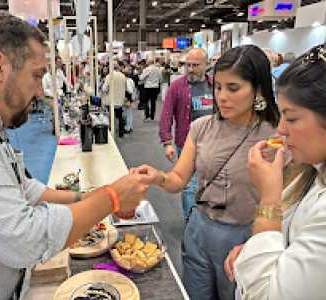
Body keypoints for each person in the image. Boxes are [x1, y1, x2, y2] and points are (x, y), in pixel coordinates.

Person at [0, 11, 147, 299]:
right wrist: (112, 197)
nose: (40, 90)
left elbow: (21, 186)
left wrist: (87, 197)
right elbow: (23, 240)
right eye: (37, 75)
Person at [132, 45, 280, 300]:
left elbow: (287, 199)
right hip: (200, 230)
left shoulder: (275, 136)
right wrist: (157, 177)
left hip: (246, 238)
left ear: (257, 89)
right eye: (219, 87)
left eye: (233, 88)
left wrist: (262, 243)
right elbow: (179, 179)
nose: (222, 96)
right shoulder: (202, 127)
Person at [225, 44, 326, 300]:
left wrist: (270, 195)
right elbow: (294, 239)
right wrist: (255, 251)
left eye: (291, 118)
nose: (281, 129)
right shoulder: (312, 171)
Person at [159, 48, 213, 221]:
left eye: (195, 65)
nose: (190, 69)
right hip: (187, 143)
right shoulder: (176, 86)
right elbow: (166, 114)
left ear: (207, 65)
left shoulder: (216, 85)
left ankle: (207, 218)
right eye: (187, 65)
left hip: (214, 144)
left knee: (211, 183)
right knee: (190, 185)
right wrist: (167, 142)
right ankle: (190, 221)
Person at [102, 62, 127, 137]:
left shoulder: (109, 76)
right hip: (120, 100)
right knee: (120, 117)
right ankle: (121, 132)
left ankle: (111, 132)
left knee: (110, 117)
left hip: (111, 100)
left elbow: (104, 88)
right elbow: (126, 88)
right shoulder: (123, 76)